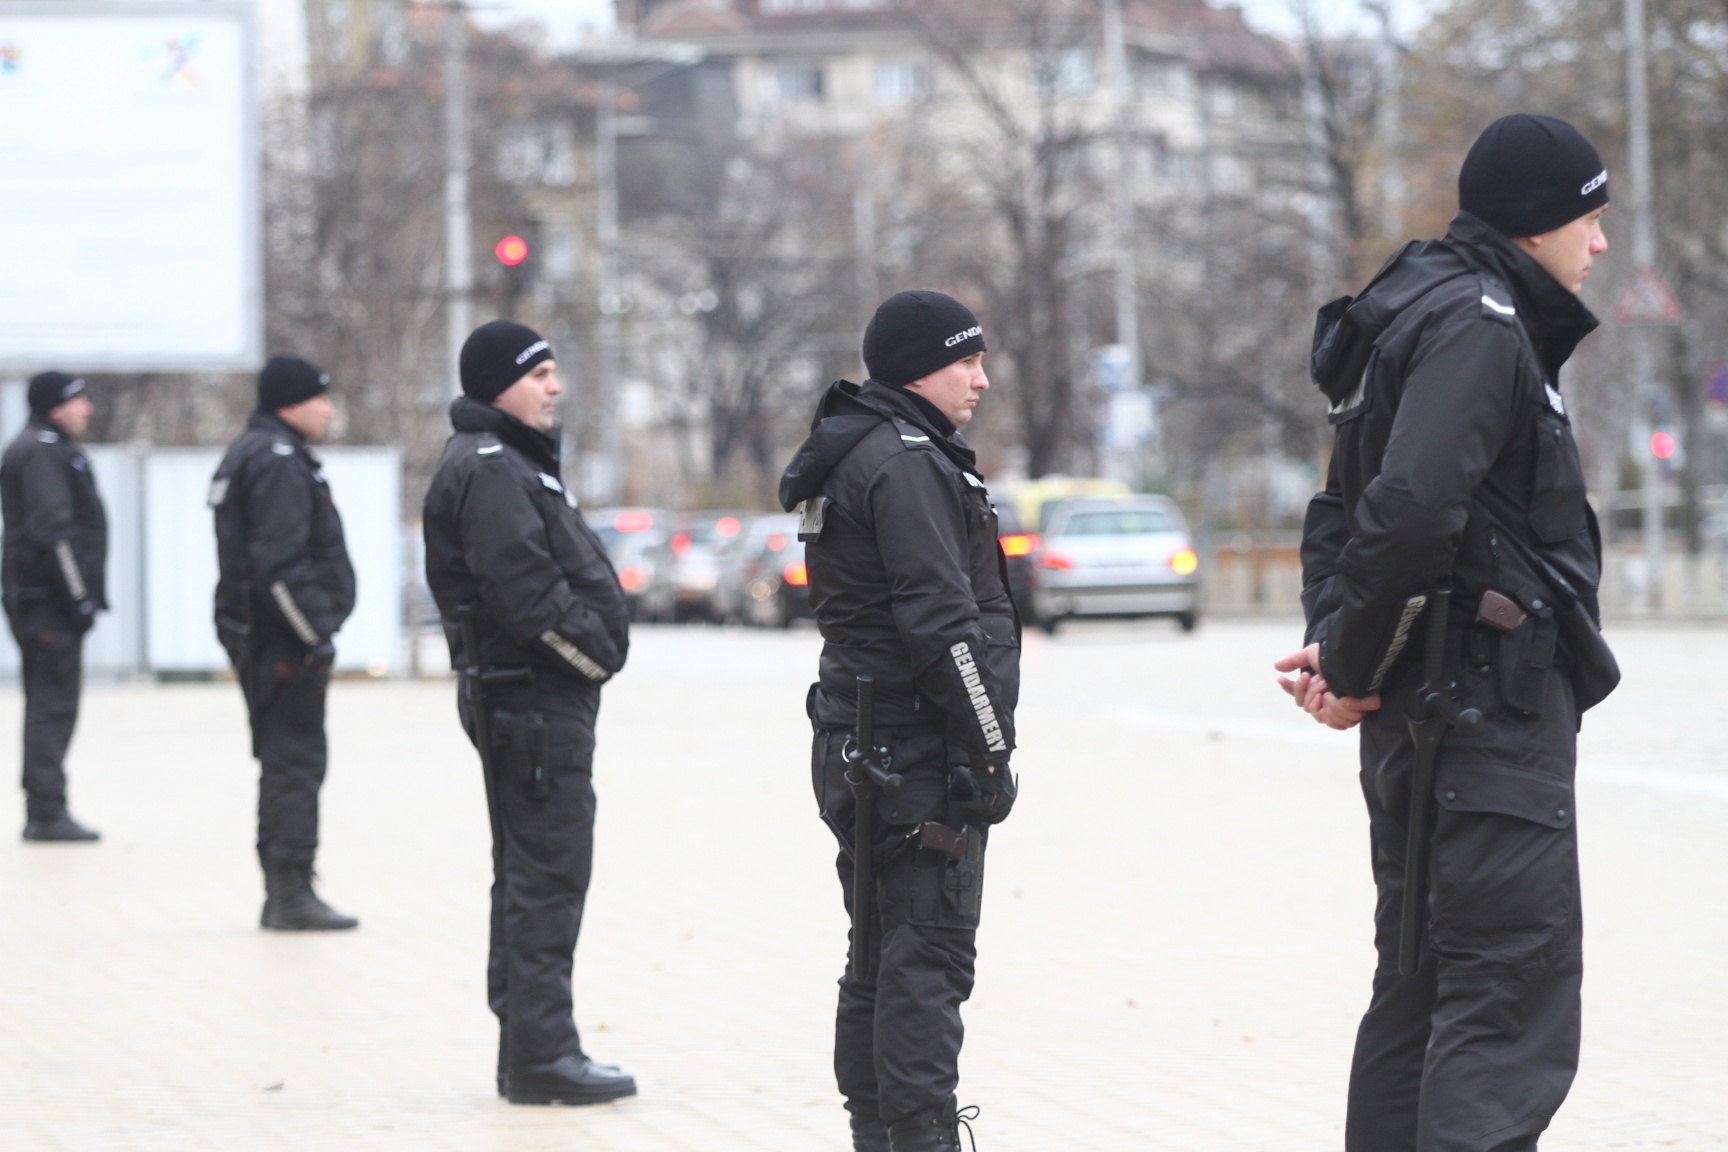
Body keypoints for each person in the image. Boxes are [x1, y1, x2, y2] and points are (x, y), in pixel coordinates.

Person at [1275, 113, 1619, 1150]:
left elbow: (1342, 512)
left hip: (1428, 718)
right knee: (1504, 1007)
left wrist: (1346, 651)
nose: (1600, 242)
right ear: (1537, 222)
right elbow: (1412, 510)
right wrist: (1349, 661)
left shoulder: (1414, 308)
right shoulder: (1479, 322)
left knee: (1421, 991)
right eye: (1590, 219)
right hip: (1486, 722)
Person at [779, 291, 1020, 1152]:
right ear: (922, 368)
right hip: (916, 751)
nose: (981, 380)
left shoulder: (862, 450)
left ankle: (880, 1138)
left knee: (879, 959)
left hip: (864, 739)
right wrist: (988, 751)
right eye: (968, 361)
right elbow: (944, 628)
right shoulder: (906, 463)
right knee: (926, 964)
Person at [423, 320, 636, 1106]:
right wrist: (595, 655)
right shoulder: (491, 468)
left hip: (533, 703)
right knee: (547, 876)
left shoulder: (507, 461)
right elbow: (528, 599)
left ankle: (531, 1044)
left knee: (532, 873)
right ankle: (542, 1056)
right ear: (497, 385)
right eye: (539, 374)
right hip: (532, 704)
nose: (556, 387)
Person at [211, 355, 358, 931]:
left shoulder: (257, 452)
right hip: (281, 644)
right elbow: (278, 570)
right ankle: (291, 892)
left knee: (284, 760)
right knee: (294, 763)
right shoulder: (276, 460)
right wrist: (313, 636)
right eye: (321, 398)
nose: (329, 410)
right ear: (291, 403)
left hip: (266, 637)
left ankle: (285, 889)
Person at [3, 371, 105, 842]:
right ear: (54, 406)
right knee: (52, 705)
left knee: (51, 703)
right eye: (78, 400)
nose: (87, 408)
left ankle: (46, 806)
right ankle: (45, 811)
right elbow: (54, 533)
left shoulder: (46, 447)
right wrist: (78, 597)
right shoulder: (41, 450)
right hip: (47, 603)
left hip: (44, 600)